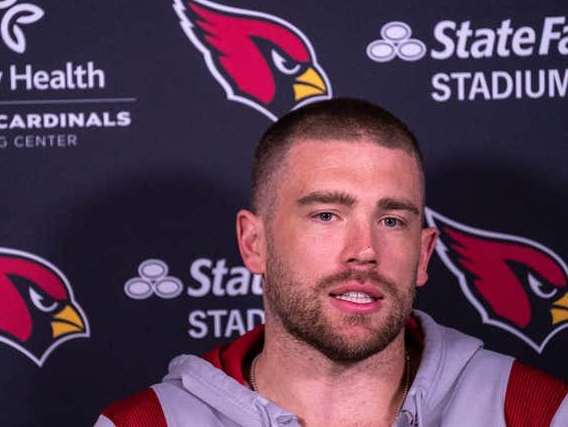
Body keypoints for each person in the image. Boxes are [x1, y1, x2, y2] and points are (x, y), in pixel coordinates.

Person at [94, 98, 568, 427]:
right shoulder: (145, 424)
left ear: (424, 254)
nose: (364, 249)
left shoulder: (534, 412)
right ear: (253, 242)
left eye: (391, 220)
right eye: (326, 215)